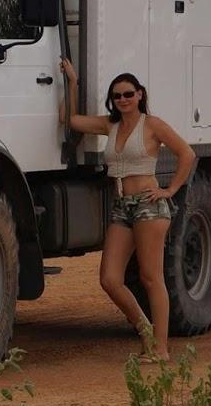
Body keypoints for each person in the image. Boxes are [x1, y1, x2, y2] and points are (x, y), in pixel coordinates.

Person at [59, 58, 196, 362]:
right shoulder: (110, 125)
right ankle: (146, 332)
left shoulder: (153, 125)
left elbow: (187, 153)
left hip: (149, 206)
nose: (123, 100)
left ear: (140, 95)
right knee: (109, 279)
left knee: (151, 277)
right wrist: (72, 83)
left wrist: (169, 189)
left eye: (128, 94)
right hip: (122, 206)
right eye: (117, 96)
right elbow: (69, 120)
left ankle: (160, 349)